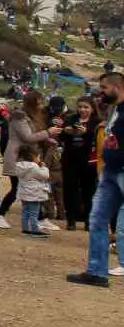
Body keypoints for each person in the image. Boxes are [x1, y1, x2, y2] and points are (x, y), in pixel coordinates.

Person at [67, 72, 124, 287]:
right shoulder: (113, 110)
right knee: (97, 219)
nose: (100, 92)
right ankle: (97, 271)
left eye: (104, 88)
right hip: (110, 171)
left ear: (117, 87)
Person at [0, 91, 60, 232]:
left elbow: (33, 135)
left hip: (29, 156)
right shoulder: (20, 117)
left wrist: (46, 139)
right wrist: (48, 133)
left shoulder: (32, 117)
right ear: (32, 104)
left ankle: (40, 218)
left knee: (33, 187)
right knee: (18, 188)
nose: (42, 106)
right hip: (18, 156)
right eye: (40, 103)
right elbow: (27, 137)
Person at [59, 97, 100, 230]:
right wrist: (66, 132)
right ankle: (71, 219)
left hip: (89, 161)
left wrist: (86, 133)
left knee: (89, 191)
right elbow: (61, 137)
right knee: (70, 189)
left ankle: (89, 220)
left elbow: (98, 141)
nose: (82, 110)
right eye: (80, 107)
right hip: (70, 160)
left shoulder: (96, 122)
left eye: (86, 107)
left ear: (92, 109)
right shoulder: (71, 119)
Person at [13, 143, 52, 238]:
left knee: (26, 211)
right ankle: (35, 229)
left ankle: (25, 228)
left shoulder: (19, 166)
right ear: (33, 157)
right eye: (38, 157)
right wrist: (44, 167)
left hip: (24, 193)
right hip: (34, 193)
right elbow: (45, 175)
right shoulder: (34, 167)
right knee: (34, 212)